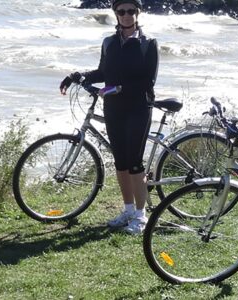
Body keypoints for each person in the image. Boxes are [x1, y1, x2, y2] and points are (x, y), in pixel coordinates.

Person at [60, 0, 159, 234]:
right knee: (121, 163)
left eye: (131, 11)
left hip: (138, 107)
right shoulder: (109, 43)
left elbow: (148, 82)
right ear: (115, 14)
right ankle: (127, 210)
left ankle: (141, 216)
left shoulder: (148, 44)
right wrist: (77, 76)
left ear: (138, 13)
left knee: (135, 163)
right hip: (113, 108)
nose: (126, 15)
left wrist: (119, 88)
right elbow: (103, 72)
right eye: (121, 11)